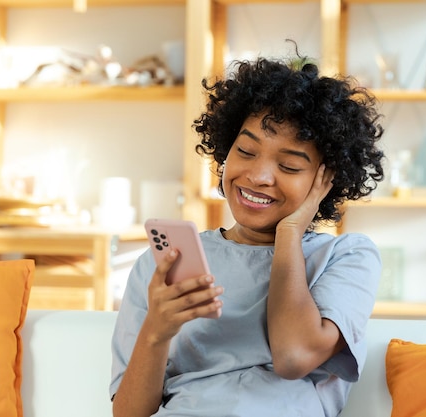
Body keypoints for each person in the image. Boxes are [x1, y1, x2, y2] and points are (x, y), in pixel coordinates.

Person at [110, 52, 385, 417]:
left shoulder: (347, 257)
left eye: (288, 165)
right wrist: (157, 332)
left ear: (326, 179)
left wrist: (289, 234)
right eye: (246, 151)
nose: (258, 176)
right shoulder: (161, 265)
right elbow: (128, 413)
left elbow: (293, 357)